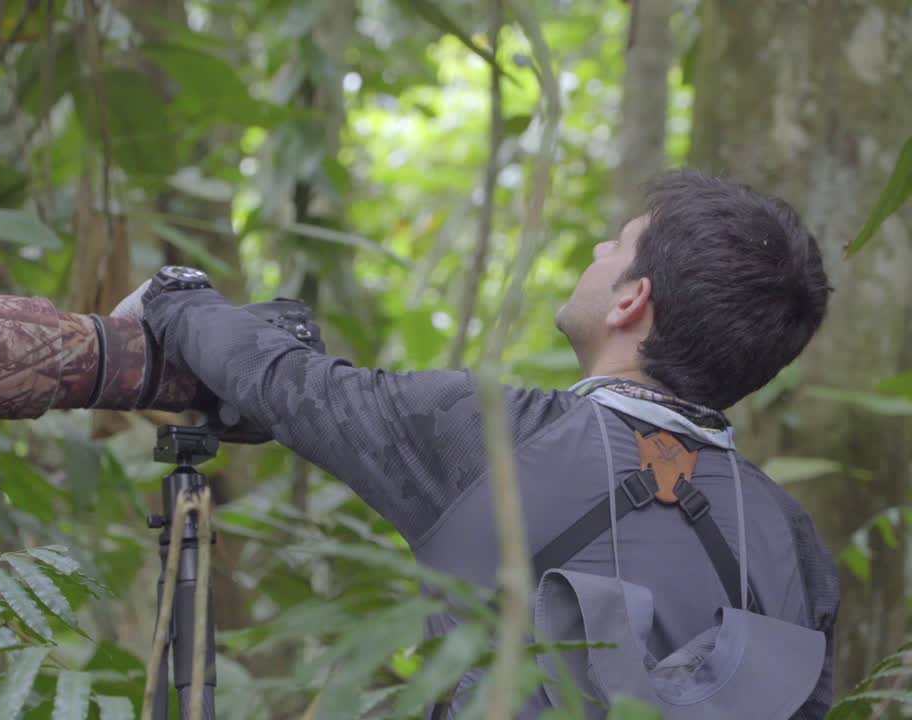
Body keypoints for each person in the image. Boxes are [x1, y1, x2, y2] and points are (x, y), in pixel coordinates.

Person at [113, 170, 838, 718]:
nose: (596, 247)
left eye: (614, 245)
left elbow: (283, 379)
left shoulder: (492, 433)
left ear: (630, 300)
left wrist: (174, 297)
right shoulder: (793, 537)